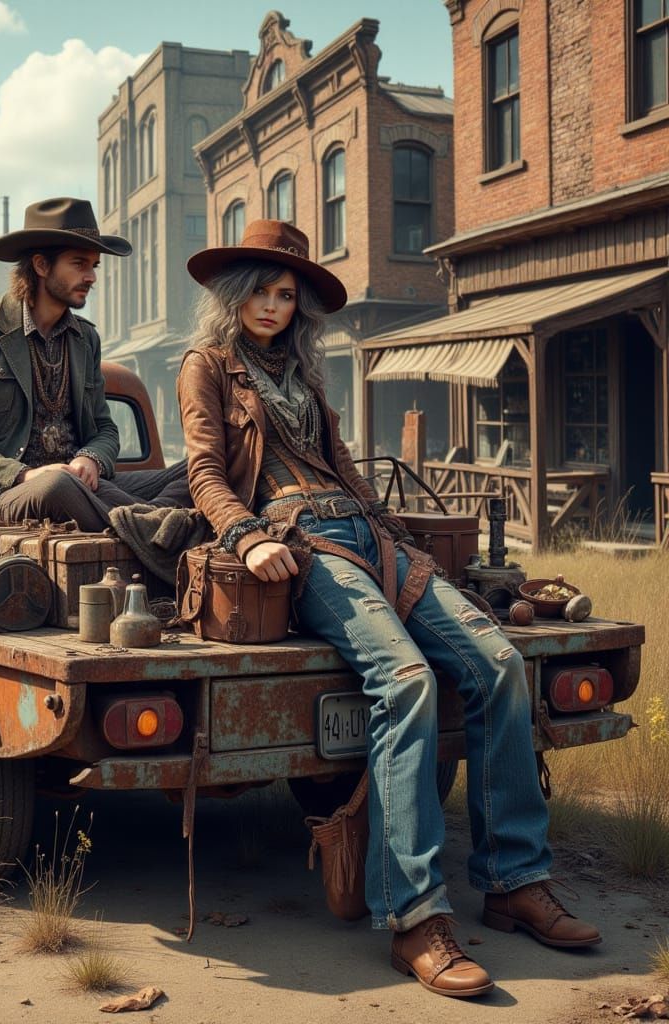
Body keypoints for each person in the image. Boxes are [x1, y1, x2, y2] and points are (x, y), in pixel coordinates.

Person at [176, 219, 600, 999]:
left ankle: (514, 882)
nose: (275, 306)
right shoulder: (206, 367)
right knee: (404, 681)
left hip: (364, 531)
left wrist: (407, 547)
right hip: (296, 540)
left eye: (287, 294)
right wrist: (244, 535)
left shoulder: (304, 375)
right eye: (262, 292)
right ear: (235, 296)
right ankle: (414, 918)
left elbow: (347, 471)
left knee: (499, 663)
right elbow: (206, 472)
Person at [0, 196, 188, 529]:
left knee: (196, 469)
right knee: (56, 485)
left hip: (81, 488)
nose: (92, 277)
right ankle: (159, 525)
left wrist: (91, 458)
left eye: (94, 266)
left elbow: (106, 429)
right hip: (2, 497)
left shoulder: (86, 339)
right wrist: (25, 474)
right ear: (41, 266)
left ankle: (145, 524)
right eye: (79, 264)